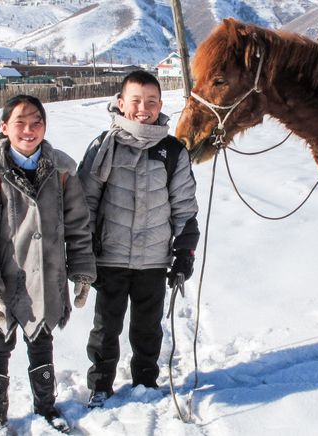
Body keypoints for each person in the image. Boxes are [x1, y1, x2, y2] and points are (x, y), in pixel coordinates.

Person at [0, 95, 96, 434]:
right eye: (19, 122)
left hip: (47, 278)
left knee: (42, 341)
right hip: (4, 280)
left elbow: (79, 227)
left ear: (45, 127)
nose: (28, 129)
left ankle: (46, 407)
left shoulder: (62, 171)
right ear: (4, 127)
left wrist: (81, 271)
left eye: (36, 121)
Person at [77, 71, 200, 408]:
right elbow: (84, 203)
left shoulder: (172, 150)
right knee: (106, 327)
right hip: (110, 257)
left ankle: (145, 379)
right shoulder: (104, 146)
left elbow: (184, 207)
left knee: (148, 328)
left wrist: (184, 252)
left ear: (161, 104)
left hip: (153, 259)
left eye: (151, 101)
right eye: (135, 101)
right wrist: (83, 252)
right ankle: (100, 383)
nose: (143, 108)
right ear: (121, 103)